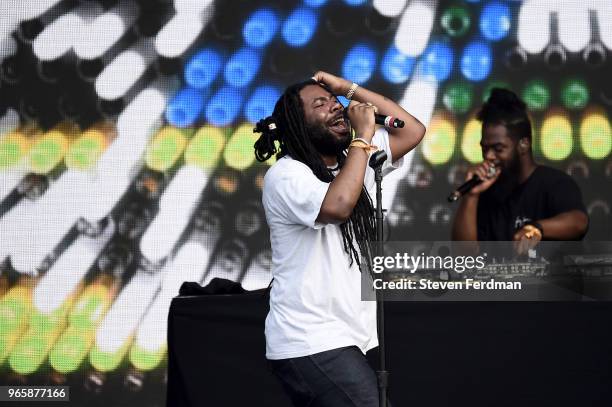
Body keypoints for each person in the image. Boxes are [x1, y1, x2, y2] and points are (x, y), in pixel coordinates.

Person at [253, 71, 425, 407]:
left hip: (342, 337)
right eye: (321, 104)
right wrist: (363, 137)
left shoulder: (351, 165)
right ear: (298, 126)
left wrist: (349, 89)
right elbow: (338, 205)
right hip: (309, 338)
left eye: (336, 102)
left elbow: (412, 130)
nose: (336, 108)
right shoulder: (286, 175)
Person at [451, 88, 589, 253]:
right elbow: (464, 255)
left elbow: (579, 222)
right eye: (485, 148)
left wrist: (537, 228)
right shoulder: (485, 194)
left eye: (498, 148)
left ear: (524, 144)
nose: (488, 156)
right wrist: (471, 197)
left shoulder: (555, 182)